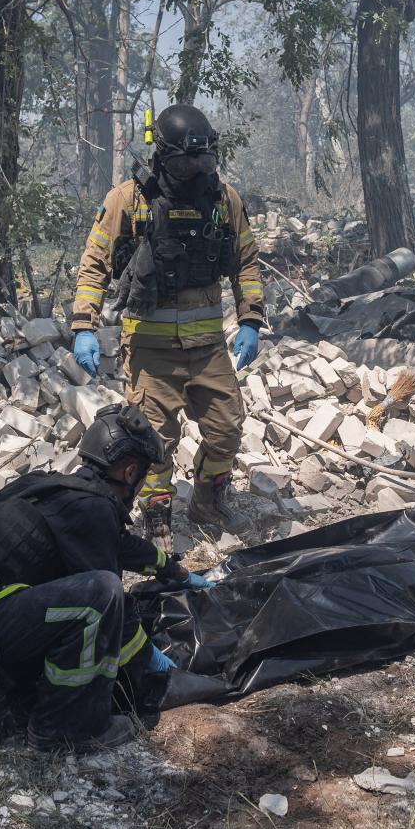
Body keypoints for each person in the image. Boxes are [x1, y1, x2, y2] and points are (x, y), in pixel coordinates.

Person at [0, 404, 214, 754]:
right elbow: (111, 605)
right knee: (103, 595)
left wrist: (173, 571)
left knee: (92, 602)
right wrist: (151, 665)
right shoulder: (91, 508)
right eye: (143, 476)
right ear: (130, 472)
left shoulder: (63, 491)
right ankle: (65, 729)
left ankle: (5, 690)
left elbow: (118, 543)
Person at [69, 103, 266, 543]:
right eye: (184, 163)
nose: (194, 172)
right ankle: (156, 513)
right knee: (152, 439)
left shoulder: (224, 200)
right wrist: (83, 326)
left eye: (203, 162)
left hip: (208, 347)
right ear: (162, 154)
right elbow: (94, 263)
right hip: (149, 351)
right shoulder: (128, 200)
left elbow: (247, 263)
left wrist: (251, 319)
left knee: (227, 429)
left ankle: (208, 502)